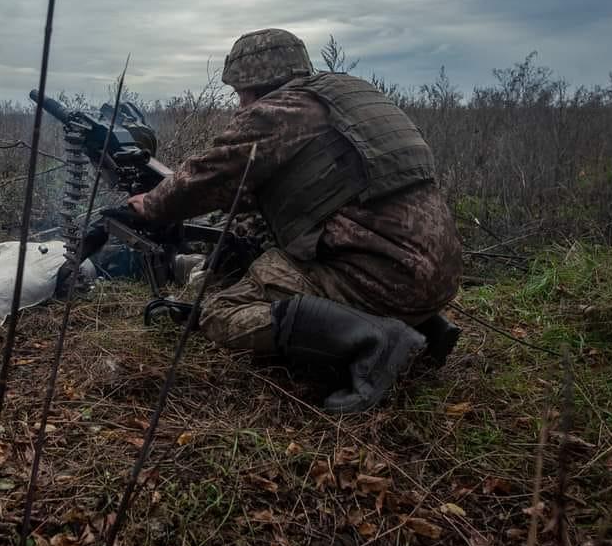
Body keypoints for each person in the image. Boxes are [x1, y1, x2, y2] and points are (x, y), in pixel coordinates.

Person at [126, 28, 463, 413]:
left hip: (383, 277)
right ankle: (422, 325)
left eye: (240, 94)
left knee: (220, 312)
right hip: (436, 271)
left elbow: (210, 175)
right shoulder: (346, 95)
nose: (239, 106)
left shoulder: (281, 111)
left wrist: (150, 205)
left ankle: (378, 341)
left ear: (256, 84)